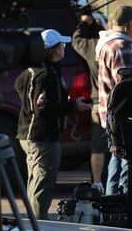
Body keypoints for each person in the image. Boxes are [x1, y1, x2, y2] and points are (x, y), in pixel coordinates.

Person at [15, 29, 90, 219]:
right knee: (43, 182)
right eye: (61, 46)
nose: (63, 49)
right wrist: (74, 105)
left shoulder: (31, 70)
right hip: (43, 137)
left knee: (35, 180)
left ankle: (35, 219)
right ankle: (39, 223)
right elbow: (45, 108)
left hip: (29, 135)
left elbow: (18, 85)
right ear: (52, 50)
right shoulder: (46, 74)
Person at [96, 5, 132, 195]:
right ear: (126, 26)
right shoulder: (122, 47)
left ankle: (112, 208)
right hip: (124, 118)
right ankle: (120, 213)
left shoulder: (110, 43)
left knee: (116, 165)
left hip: (114, 117)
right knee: (125, 169)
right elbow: (128, 87)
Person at [72, 10, 109, 192]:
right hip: (117, 103)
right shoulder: (118, 45)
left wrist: (84, 23)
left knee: (98, 146)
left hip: (97, 102)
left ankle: (97, 182)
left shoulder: (92, 47)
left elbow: (76, 40)